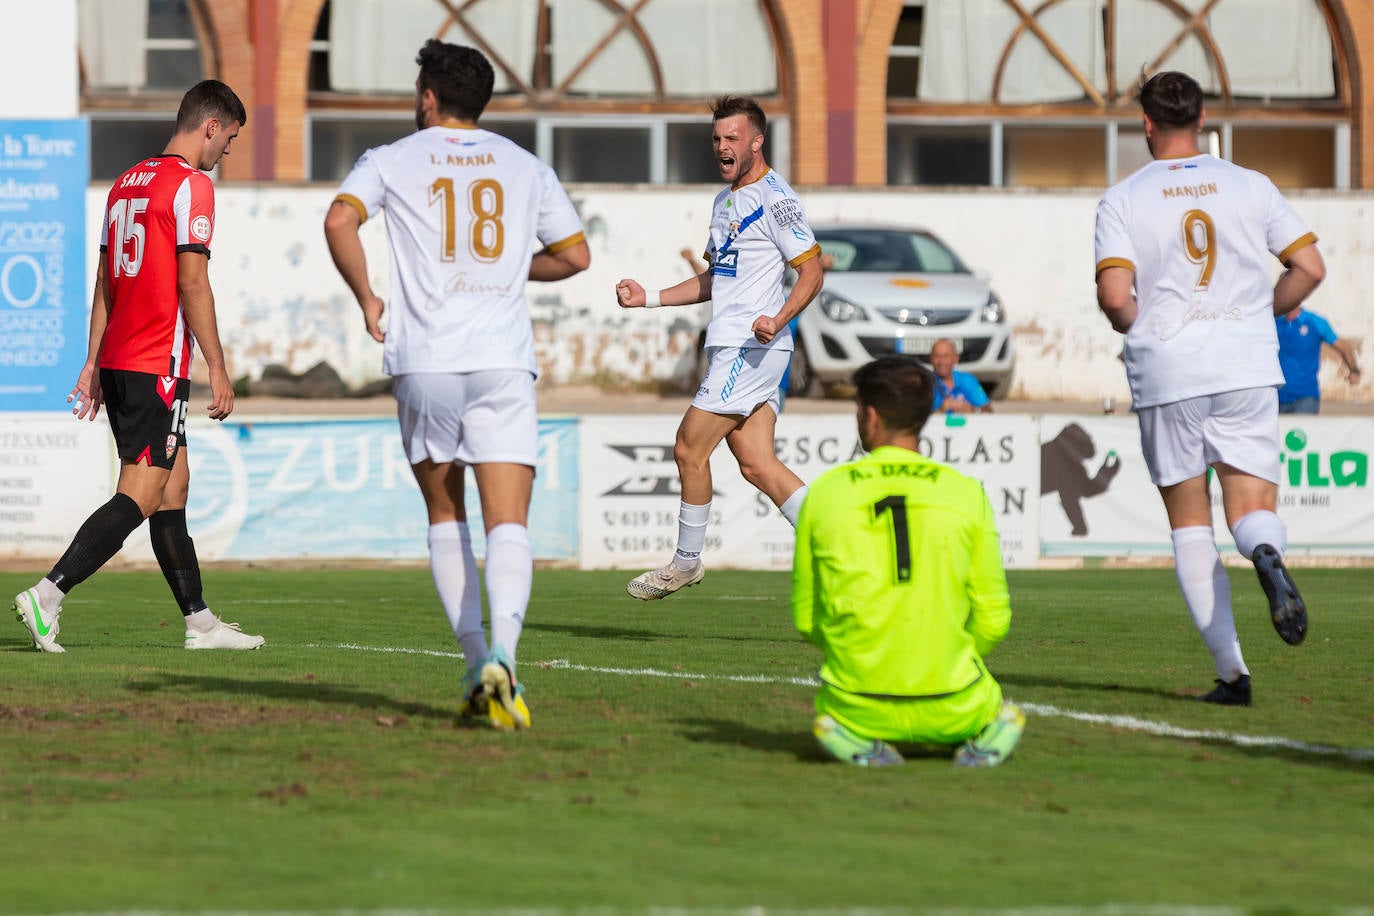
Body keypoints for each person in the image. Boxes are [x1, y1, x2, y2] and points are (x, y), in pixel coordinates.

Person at [324, 40, 589, 730]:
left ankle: (476, 664)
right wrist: (503, 270)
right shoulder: (525, 165)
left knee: (448, 518)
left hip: (427, 360)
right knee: (510, 524)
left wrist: (367, 299)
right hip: (502, 361)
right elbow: (575, 255)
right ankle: (505, 654)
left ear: (428, 98)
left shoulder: (389, 160)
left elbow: (339, 219)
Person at [1094, 70, 1326, 706]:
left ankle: (1233, 675)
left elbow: (1117, 299)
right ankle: (1268, 560)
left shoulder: (1124, 198)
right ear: (1203, 119)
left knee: (1190, 521)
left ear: (1146, 124)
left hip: (1169, 371)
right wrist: (1259, 313)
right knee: (1251, 506)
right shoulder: (1251, 185)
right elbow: (1309, 268)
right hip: (1247, 365)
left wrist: (1141, 328)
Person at [12, 80, 263, 653]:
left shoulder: (126, 184)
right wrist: (218, 369)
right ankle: (48, 595)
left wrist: (94, 361)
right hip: (156, 363)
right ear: (210, 127)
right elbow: (192, 280)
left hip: (123, 358)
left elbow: (105, 280)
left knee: (174, 487)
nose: (227, 151)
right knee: (142, 493)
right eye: (229, 138)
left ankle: (200, 622)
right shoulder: (191, 186)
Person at [616, 95, 824, 600]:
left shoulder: (777, 200)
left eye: (733, 138)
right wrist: (650, 299)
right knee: (755, 462)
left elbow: (812, 272)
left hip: (749, 349)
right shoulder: (724, 200)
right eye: (717, 139)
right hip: (731, 344)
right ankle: (837, 537)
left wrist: (777, 319)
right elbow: (716, 279)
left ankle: (685, 563)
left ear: (757, 141)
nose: (723, 147)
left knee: (689, 446)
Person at [792, 355, 1024, 768]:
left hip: (858, 702)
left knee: (829, 715)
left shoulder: (825, 494)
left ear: (871, 415)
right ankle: (983, 734)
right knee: (1000, 708)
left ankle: (854, 737)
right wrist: (942, 656)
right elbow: (993, 620)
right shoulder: (966, 493)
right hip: (955, 703)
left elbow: (807, 620)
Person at [1275, 306, 1361, 413]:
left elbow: (1344, 347)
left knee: (1302, 429)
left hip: (1305, 398)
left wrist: (1354, 370)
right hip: (1276, 398)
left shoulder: (1315, 322)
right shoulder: (1274, 322)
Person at [928, 337, 992, 413]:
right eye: (937, 356)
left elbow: (989, 411)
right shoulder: (924, 384)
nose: (941, 361)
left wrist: (972, 410)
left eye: (946, 356)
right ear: (931, 359)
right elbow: (916, 419)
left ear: (956, 358)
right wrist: (940, 410)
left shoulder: (968, 381)